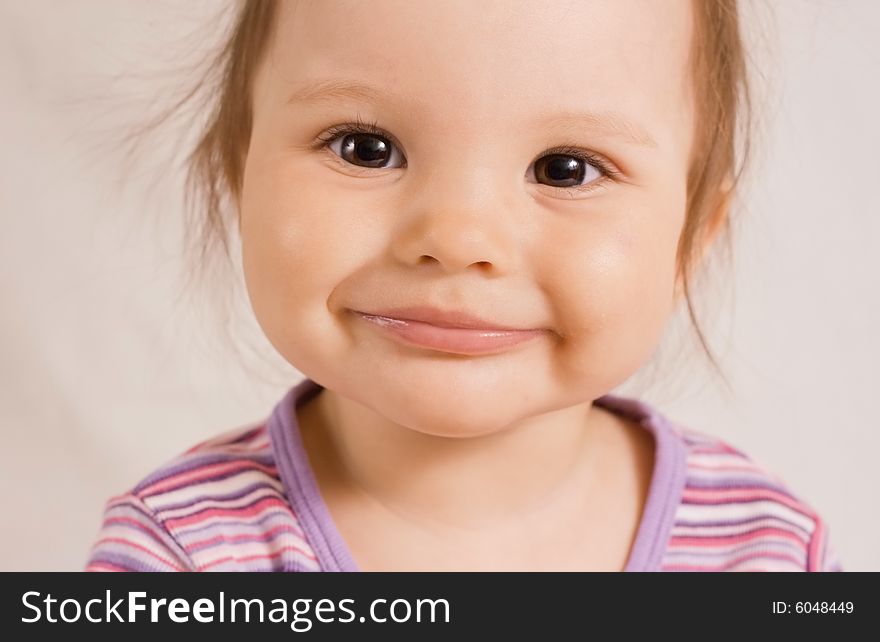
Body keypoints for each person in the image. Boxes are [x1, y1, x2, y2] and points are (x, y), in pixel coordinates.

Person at [84, 0, 841, 572]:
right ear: (238, 182)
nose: (457, 239)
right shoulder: (179, 556)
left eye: (565, 169)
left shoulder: (767, 551)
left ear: (690, 240)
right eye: (366, 148)